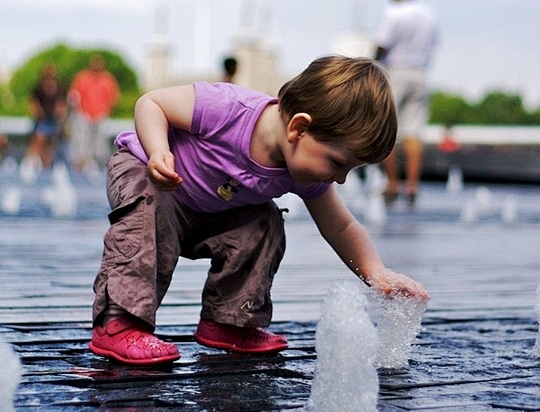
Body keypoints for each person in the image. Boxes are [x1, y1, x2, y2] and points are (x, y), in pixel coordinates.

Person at [89, 55, 429, 366]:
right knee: (149, 208)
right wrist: (159, 152)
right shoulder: (227, 108)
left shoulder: (303, 170)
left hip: (209, 212)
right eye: (337, 163)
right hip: (152, 177)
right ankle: (120, 322)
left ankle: (229, 321)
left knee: (264, 222)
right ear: (298, 127)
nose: (339, 179)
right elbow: (152, 103)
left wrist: (378, 274)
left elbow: (341, 227)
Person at [375, 0, 438, 205]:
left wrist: (371, 67)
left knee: (388, 128)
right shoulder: (429, 14)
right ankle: (413, 185)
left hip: (397, 70)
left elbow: (382, 43)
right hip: (421, 72)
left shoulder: (393, 12)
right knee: (414, 132)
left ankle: (392, 183)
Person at [69, 55, 120, 172]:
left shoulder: (108, 79)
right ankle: (81, 166)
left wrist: (105, 112)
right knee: (82, 142)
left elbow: (113, 98)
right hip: (84, 116)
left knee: (100, 144)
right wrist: (80, 111)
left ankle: (98, 165)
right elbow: (74, 95)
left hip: (100, 116)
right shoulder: (82, 77)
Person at [22, 64, 67, 171]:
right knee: (38, 140)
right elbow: (32, 101)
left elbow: (62, 102)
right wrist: (37, 111)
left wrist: (60, 111)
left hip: (53, 119)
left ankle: (46, 167)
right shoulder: (39, 87)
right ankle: (28, 163)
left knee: (50, 144)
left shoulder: (58, 87)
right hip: (42, 120)